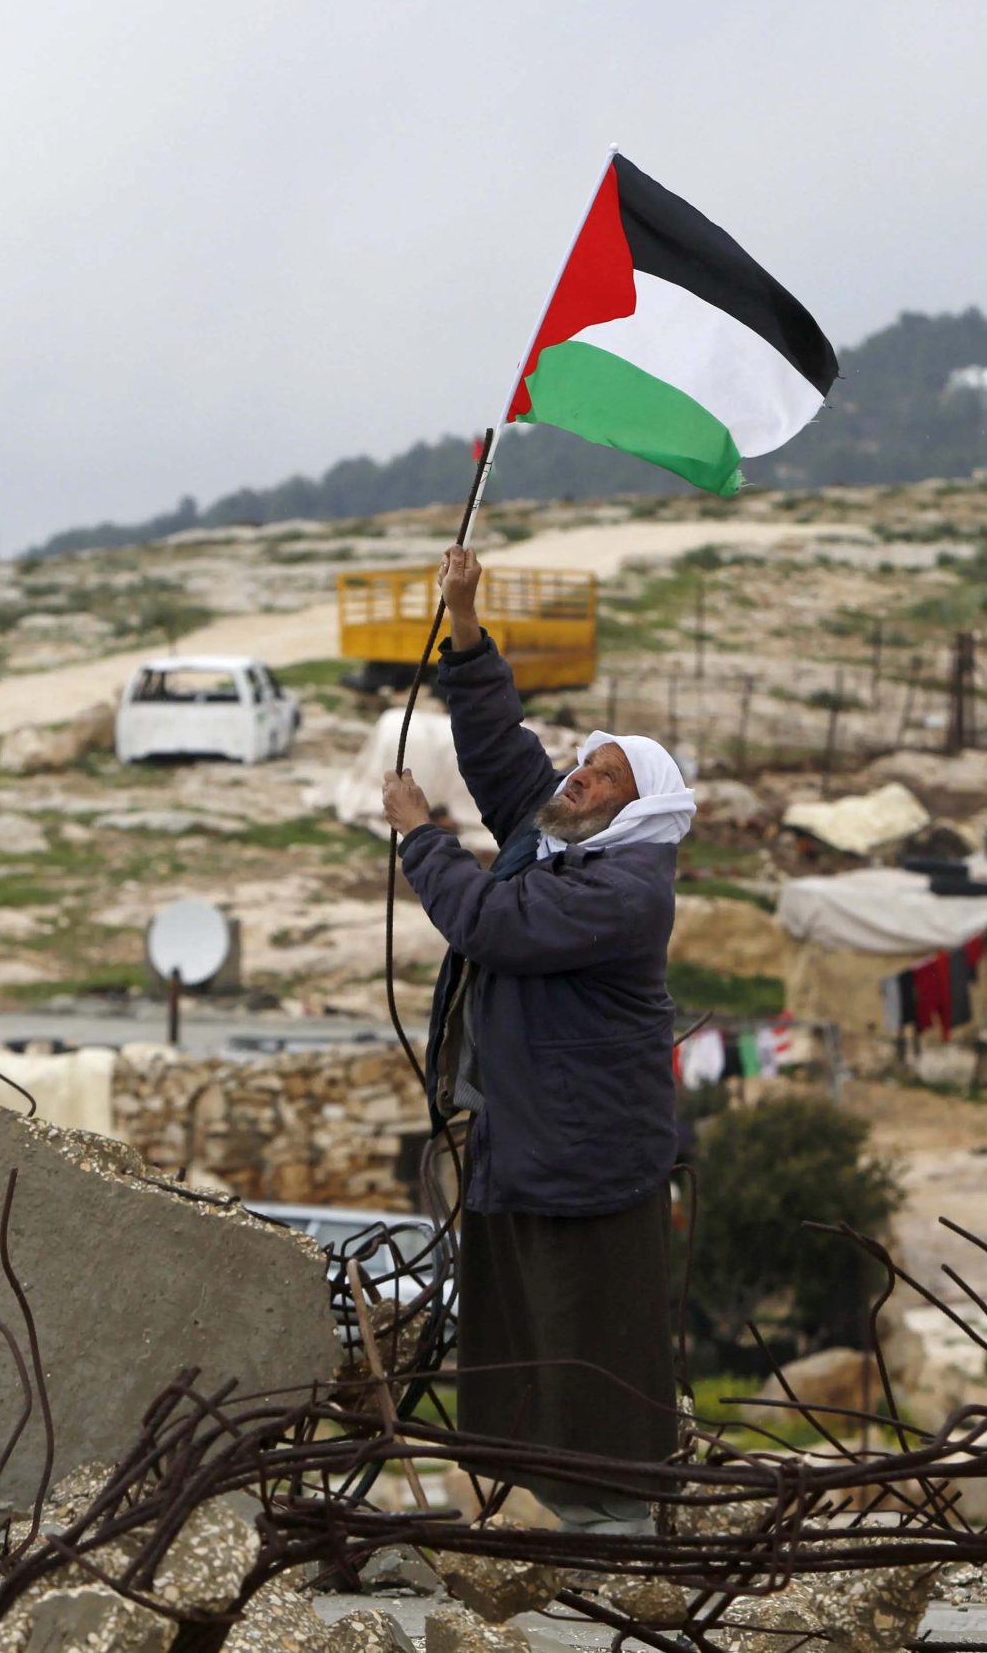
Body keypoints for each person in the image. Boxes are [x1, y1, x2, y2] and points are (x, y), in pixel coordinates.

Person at [379, 544, 694, 1538]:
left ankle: (616, 1519)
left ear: (638, 809)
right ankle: (533, 1505)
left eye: (604, 777)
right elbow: (500, 744)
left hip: (588, 1148)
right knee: (518, 1316)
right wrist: (463, 620)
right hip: (526, 1138)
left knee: (594, 1325)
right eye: (585, 764)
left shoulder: (625, 889)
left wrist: (423, 837)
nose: (581, 779)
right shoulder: (553, 839)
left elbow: (491, 927)